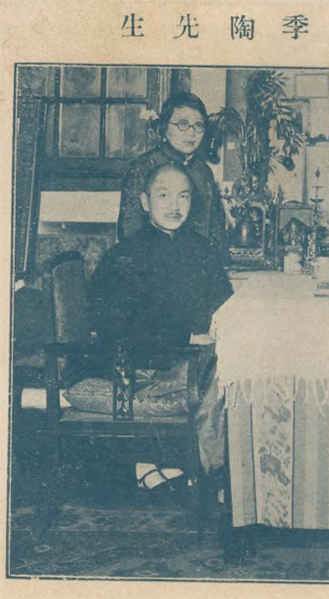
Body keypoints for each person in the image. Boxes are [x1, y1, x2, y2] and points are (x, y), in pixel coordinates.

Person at [91, 162, 233, 488]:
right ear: (145, 202)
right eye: (164, 195)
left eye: (184, 196)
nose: (174, 205)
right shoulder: (126, 255)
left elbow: (223, 303)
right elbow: (116, 326)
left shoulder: (201, 249)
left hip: (187, 357)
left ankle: (208, 470)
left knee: (241, 363)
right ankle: (214, 475)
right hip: (140, 365)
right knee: (220, 373)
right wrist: (188, 337)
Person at [117, 91, 226, 253]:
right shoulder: (143, 166)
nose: (191, 132)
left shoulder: (203, 172)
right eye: (183, 124)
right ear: (164, 126)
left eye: (198, 125)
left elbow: (216, 230)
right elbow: (129, 230)